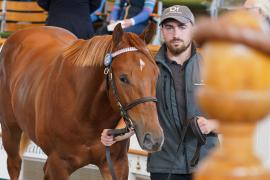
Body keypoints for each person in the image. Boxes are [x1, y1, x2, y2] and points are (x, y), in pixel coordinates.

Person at [101, 5, 219, 180]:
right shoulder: (148, 71)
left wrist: (211, 125)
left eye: (182, 27)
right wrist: (115, 135)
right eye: (169, 27)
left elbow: (235, 118)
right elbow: (139, 113)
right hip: (164, 166)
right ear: (162, 30)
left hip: (208, 165)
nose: (175, 34)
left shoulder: (212, 67)